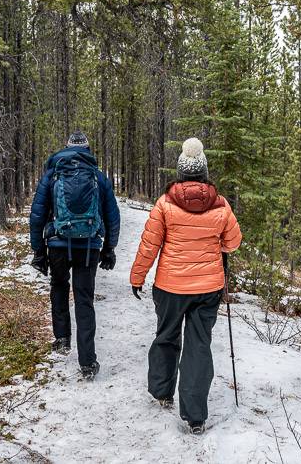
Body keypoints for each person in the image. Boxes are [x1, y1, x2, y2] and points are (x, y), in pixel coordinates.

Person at [129, 137, 242, 435]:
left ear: (180, 172)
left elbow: (149, 245)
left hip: (169, 286)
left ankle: (162, 391)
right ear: (203, 172)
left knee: (166, 336)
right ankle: (195, 417)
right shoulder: (220, 204)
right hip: (207, 289)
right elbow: (233, 242)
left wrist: (137, 277)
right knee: (198, 345)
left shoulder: (165, 203)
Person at [29, 131, 120, 380]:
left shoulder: (52, 175)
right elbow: (112, 215)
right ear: (88, 150)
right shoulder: (98, 177)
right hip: (89, 246)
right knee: (84, 299)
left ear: (66, 148)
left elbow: (37, 215)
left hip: (58, 244)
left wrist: (38, 251)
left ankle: (61, 339)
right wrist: (109, 248)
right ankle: (88, 362)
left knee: (59, 287)